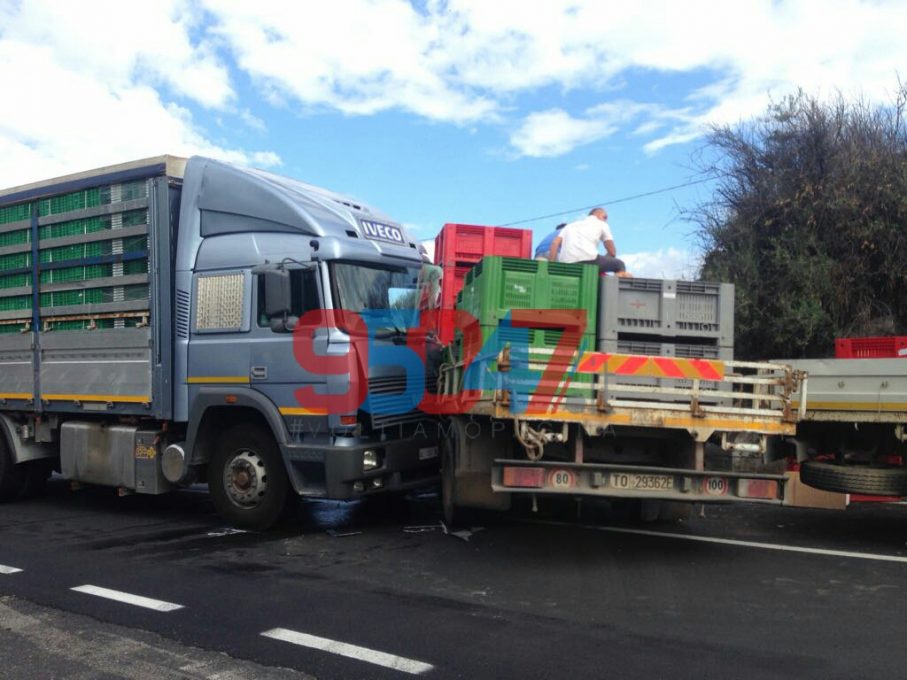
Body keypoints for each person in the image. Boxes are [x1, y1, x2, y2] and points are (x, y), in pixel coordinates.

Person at [549, 207, 631, 277]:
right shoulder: (602, 224)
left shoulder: (570, 226)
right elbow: (612, 252)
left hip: (566, 264)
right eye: (605, 218)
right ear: (603, 216)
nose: (606, 221)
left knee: (599, 262)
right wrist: (604, 260)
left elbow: (554, 243)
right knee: (619, 264)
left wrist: (551, 268)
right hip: (589, 261)